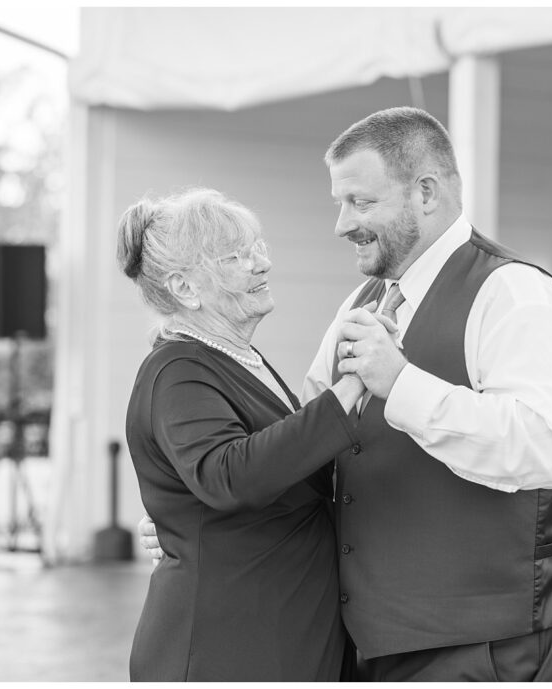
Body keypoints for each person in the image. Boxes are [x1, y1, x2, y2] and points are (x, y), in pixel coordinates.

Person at [141, 107, 552, 681]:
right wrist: (195, 520)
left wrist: (402, 385)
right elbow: (303, 446)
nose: (340, 224)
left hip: (489, 643)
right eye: (340, 203)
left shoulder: (515, 293)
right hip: (373, 645)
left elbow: (544, 449)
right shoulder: (359, 307)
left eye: (360, 202)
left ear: (425, 194)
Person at [117, 188, 368, 681]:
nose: (261, 265)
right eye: (237, 256)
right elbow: (229, 475)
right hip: (227, 645)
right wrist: (355, 386)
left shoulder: (232, 357)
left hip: (278, 632)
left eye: (258, 249)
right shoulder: (179, 369)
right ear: (185, 289)